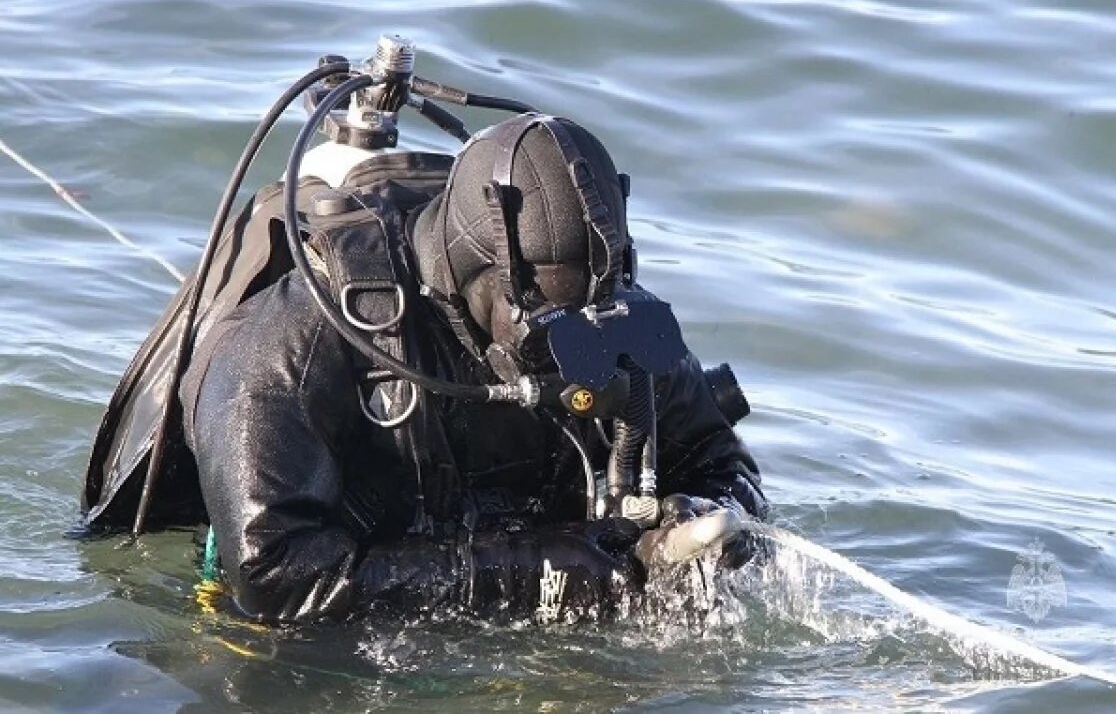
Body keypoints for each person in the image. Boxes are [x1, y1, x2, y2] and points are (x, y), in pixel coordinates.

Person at [106, 111, 768, 623]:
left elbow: (724, 460)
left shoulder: (617, 321)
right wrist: (542, 572)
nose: (574, 346)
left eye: (591, 310)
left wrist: (715, 523)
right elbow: (274, 577)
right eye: (541, 319)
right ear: (472, 267)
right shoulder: (295, 346)